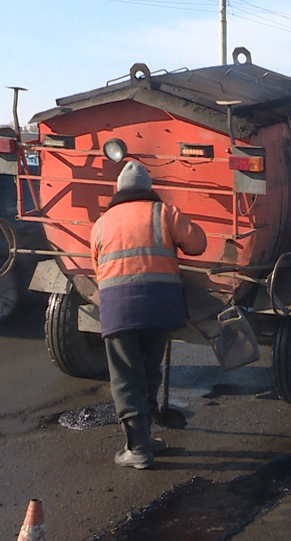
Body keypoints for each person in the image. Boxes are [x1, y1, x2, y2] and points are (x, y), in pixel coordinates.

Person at [90, 161, 206, 470]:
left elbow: (97, 266)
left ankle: (138, 447)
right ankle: (145, 439)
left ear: (118, 190)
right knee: (149, 370)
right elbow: (198, 244)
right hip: (159, 307)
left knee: (126, 376)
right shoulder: (164, 213)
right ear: (148, 188)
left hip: (119, 309)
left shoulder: (101, 223)